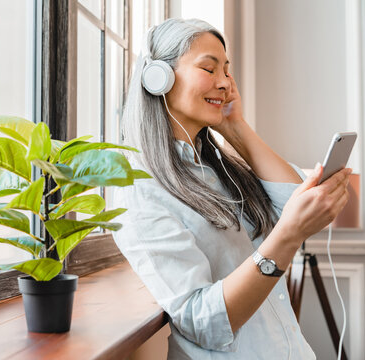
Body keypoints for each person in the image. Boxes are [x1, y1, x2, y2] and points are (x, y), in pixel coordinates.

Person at [112, 18, 351, 359]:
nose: (225, 82)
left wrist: (235, 126)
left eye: (227, 70)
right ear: (158, 79)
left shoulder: (217, 167)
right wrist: (284, 237)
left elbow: (296, 200)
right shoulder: (138, 185)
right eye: (209, 69)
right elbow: (201, 321)